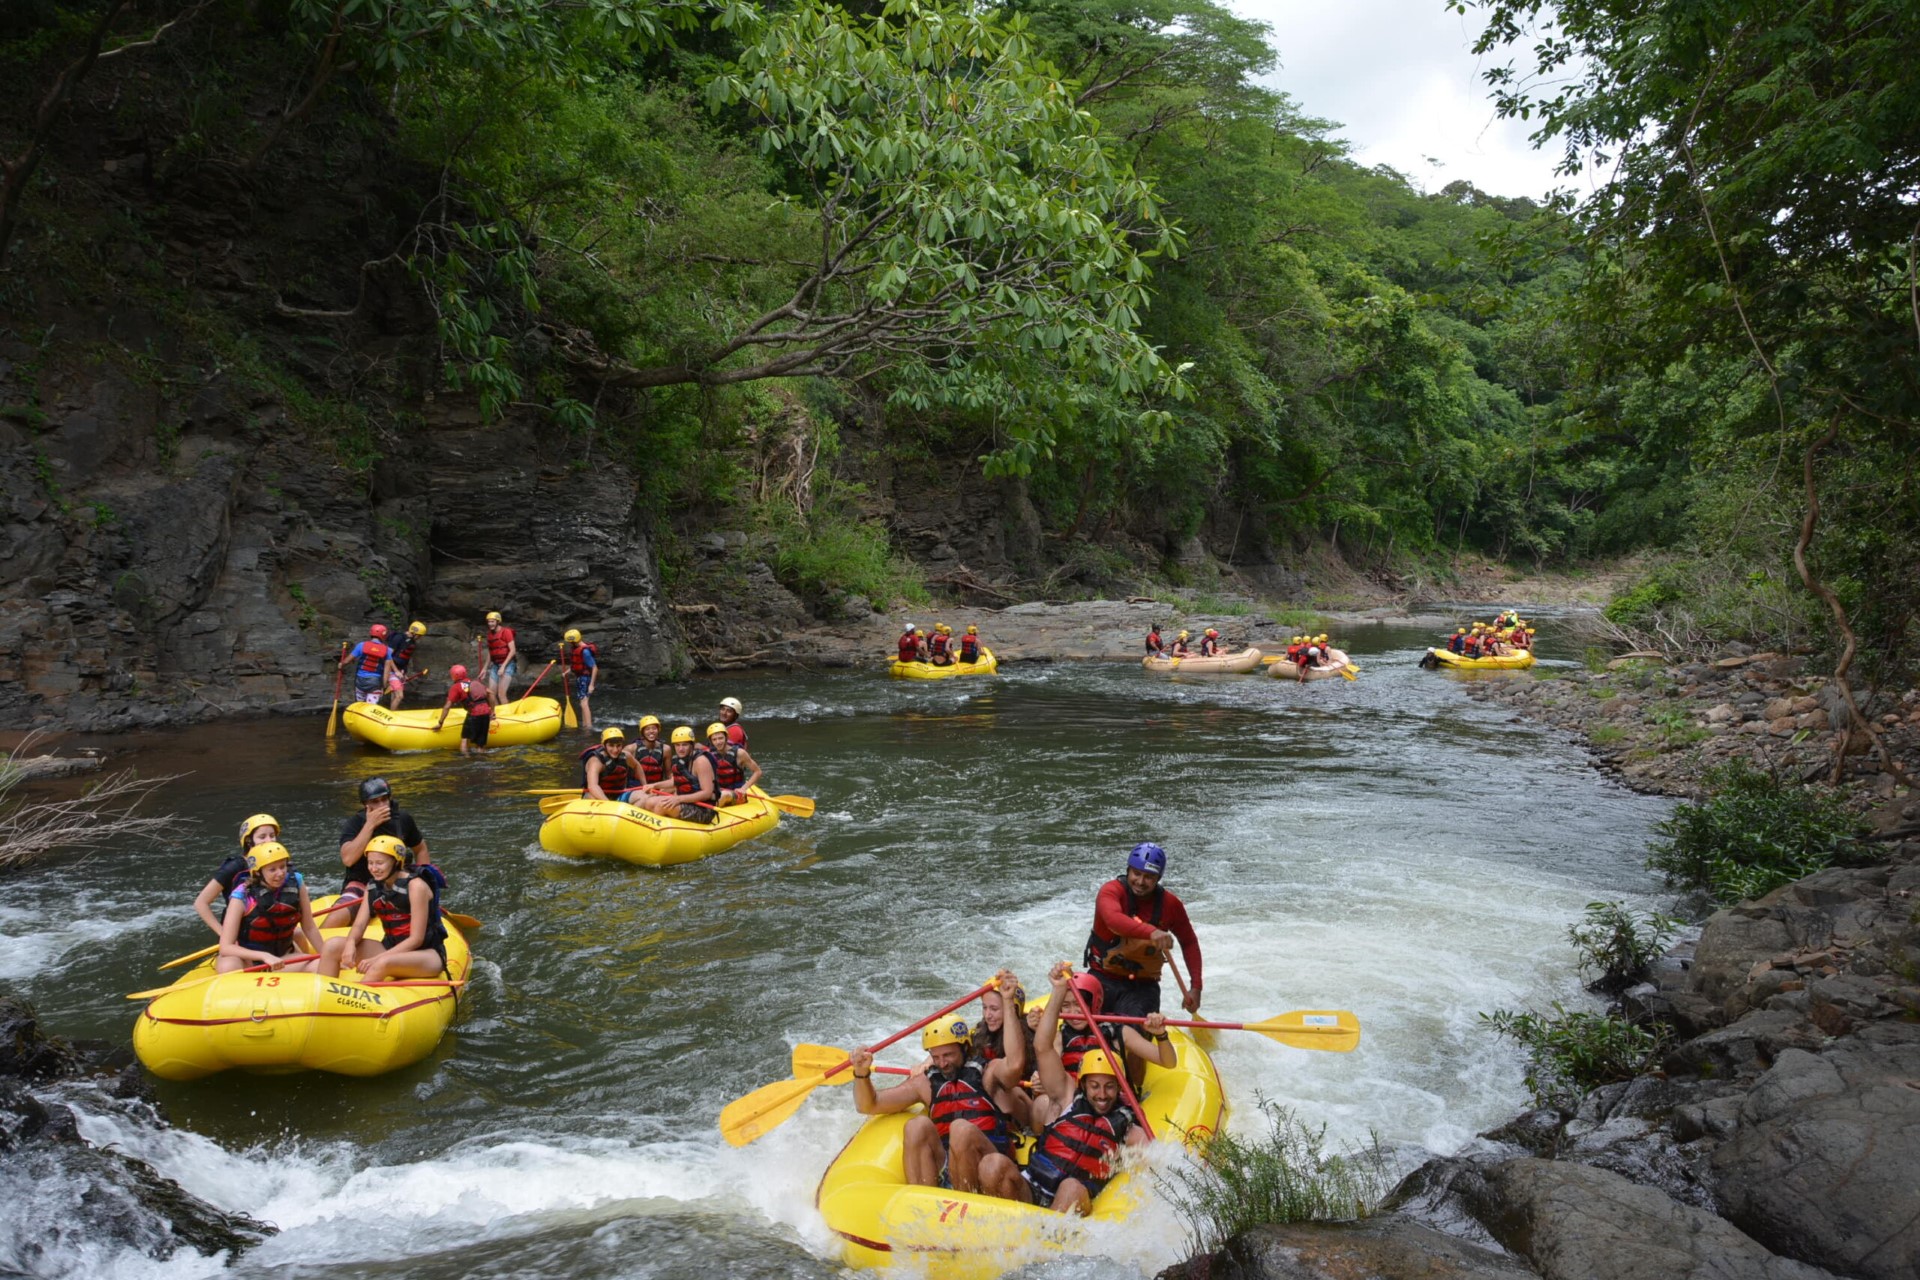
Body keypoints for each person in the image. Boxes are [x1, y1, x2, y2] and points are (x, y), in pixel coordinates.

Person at [978, 966, 1152, 1214]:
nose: (1101, 1095)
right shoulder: (1067, 1097)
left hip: (1072, 1197)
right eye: (1094, 1086)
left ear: (1119, 1086)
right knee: (991, 1165)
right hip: (1035, 1186)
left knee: (1071, 1186)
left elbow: (1154, 1164)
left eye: (1109, 1087)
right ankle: (999, 1231)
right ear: (1083, 1084)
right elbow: (1042, 1046)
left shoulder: (1127, 1126)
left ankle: (1042, 1246)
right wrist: (1058, 989)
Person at [849, 974, 1027, 1192]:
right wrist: (861, 1073)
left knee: (961, 1130)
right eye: (936, 1056)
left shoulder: (988, 1073)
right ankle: (922, 1201)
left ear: (964, 1048)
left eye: (949, 1055)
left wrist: (1008, 1002)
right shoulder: (924, 1083)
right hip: (952, 1170)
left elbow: (1016, 1063)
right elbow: (869, 1105)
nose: (943, 1063)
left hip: (988, 1169)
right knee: (916, 1126)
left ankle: (965, 1202)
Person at [1084, 841, 1203, 1019]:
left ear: (1158, 878)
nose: (1140, 881)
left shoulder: (1171, 905)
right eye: (1136, 873)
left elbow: (1189, 942)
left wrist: (1196, 987)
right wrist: (1151, 932)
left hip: (1143, 987)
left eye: (1149, 877)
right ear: (1128, 870)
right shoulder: (1111, 891)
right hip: (1101, 978)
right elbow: (1113, 920)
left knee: (1127, 1033)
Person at [318, 835, 449, 982]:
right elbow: (360, 925)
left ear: (396, 862)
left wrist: (376, 959)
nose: (374, 869)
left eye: (380, 863)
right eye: (370, 863)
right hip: (390, 947)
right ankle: (322, 995)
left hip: (426, 954)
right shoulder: (373, 886)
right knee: (331, 946)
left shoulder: (416, 886)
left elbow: (416, 939)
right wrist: (350, 944)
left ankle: (359, 998)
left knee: (382, 963)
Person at [1045, 964, 1173, 1090]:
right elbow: (1048, 1074)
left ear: (1096, 1003)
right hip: (1073, 1104)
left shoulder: (1120, 1033)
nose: (1073, 1013)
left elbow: (1168, 1062)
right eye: (1066, 1005)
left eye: (1079, 1004)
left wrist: (1161, 1035)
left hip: (1111, 1104)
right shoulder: (1059, 1037)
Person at [329, 776, 434, 927]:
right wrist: (370, 825)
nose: (382, 805)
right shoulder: (355, 823)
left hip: (397, 881)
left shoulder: (403, 819)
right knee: (336, 917)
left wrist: (423, 879)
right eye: (375, 801)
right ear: (365, 804)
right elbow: (348, 859)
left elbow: (421, 848)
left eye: (385, 799)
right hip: (362, 883)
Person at [216, 841, 324, 974]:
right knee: (228, 966)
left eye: (282, 867)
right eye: (272, 869)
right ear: (258, 873)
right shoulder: (241, 896)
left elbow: (309, 927)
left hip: (281, 960)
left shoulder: (296, 882)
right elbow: (226, 947)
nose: (280, 873)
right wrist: (264, 956)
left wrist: (327, 956)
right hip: (249, 962)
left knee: (320, 965)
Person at [194, 812, 282, 938]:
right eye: (262, 837)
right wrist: (223, 934)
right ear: (249, 841)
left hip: (268, 925)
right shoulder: (235, 867)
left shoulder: (278, 862)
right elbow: (201, 903)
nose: (269, 840)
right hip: (241, 930)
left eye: (272, 836)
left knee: (298, 933)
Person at [634, 726, 718, 823]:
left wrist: (678, 799)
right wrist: (654, 785)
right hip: (686, 801)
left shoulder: (701, 762)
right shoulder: (680, 759)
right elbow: (675, 781)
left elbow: (707, 793)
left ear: (692, 745)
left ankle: (657, 833)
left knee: (662, 806)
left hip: (703, 808)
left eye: (684, 745)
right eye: (677, 745)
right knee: (649, 802)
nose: (680, 749)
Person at [435, 663, 493, 755]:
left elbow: (447, 706)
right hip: (485, 713)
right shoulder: (475, 682)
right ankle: (482, 759)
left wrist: (440, 723)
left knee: (464, 739)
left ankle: (466, 759)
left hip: (474, 714)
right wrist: (492, 712)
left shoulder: (456, 687)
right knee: (480, 745)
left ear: (453, 676)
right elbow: (490, 694)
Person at [704, 722, 763, 804]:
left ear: (726, 737)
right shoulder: (708, 754)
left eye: (720, 738)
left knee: (724, 795)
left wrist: (743, 789)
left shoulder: (740, 753)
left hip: (736, 793)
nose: (718, 742)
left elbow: (758, 772)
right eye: (714, 739)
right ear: (711, 741)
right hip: (718, 790)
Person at [339, 624, 394, 705]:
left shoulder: (361, 645)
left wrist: (341, 664)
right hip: (375, 682)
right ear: (384, 635)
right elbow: (387, 670)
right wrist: (384, 685)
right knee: (370, 707)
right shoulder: (387, 650)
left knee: (360, 704)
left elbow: (347, 661)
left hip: (360, 680)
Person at [581, 726, 640, 801]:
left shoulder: (626, 756)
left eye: (618, 746)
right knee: (592, 796)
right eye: (611, 746)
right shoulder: (596, 761)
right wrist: (608, 803)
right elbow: (593, 786)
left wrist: (645, 785)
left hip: (619, 794)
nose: (615, 750)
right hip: (596, 795)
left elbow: (637, 766)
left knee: (642, 797)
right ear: (604, 745)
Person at [561, 628, 598, 733]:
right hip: (580, 678)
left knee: (584, 703)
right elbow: (575, 665)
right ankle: (585, 724)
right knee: (583, 702)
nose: (569, 644)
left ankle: (588, 728)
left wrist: (591, 685)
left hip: (585, 679)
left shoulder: (585, 651)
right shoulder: (578, 649)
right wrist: (567, 672)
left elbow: (595, 667)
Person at [476, 610, 517, 704]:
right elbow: (491, 652)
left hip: (507, 665)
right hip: (495, 665)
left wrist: (503, 667)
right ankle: (496, 714)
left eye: (492, 621)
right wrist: (484, 669)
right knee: (491, 693)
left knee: (501, 694)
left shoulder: (506, 632)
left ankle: (507, 716)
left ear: (498, 621)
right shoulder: (490, 635)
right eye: (488, 622)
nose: (490, 624)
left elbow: (513, 651)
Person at [385, 621, 428, 709]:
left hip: (399, 672)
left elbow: (405, 660)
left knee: (395, 696)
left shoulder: (411, 642)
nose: (419, 638)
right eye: (419, 635)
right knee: (399, 696)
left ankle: (392, 713)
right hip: (391, 671)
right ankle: (391, 717)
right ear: (413, 633)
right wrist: (396, 671)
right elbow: (388, 656)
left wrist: (404, 674)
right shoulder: (398, 638)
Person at [631, 715, 670, 786]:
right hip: (635, 787)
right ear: (642, 732)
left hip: (655, 787)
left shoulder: (666, 749)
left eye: (654, 728)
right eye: (647, 729)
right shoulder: (632, 748)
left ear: (658, 730)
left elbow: (669, 774)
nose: (651, 731)